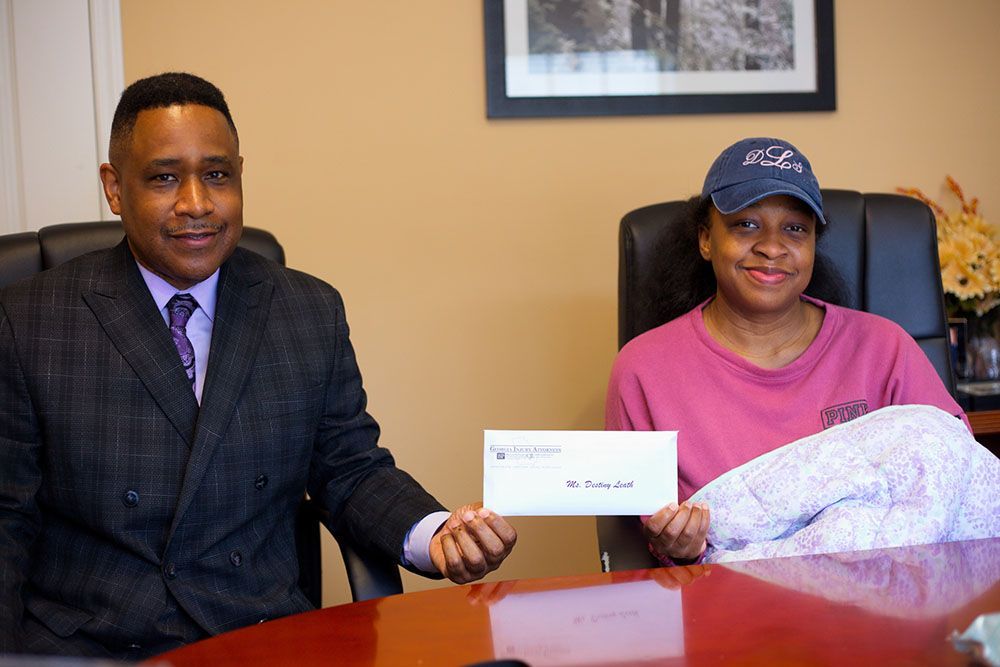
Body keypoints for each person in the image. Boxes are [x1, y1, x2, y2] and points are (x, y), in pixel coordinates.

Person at [0, 72, 516, 658]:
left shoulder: (306, 309)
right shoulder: (28, 319)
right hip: (98, 644)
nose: (196, 204)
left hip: (261, 636)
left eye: (217, 175)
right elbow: (4, 515)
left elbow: (349, 470)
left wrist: (437, 533)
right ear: (115, 189)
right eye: (165, 178)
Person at [605, 137, 968, 564]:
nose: (772, 247)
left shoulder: (885, 348)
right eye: (746, 225)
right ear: (706, 240)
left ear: (814, 243)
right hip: (729, 610)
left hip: (887, 606)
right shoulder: (644, 369)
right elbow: (638, 536)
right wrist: (679, 548)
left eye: (795, 228)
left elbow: (953, 480)